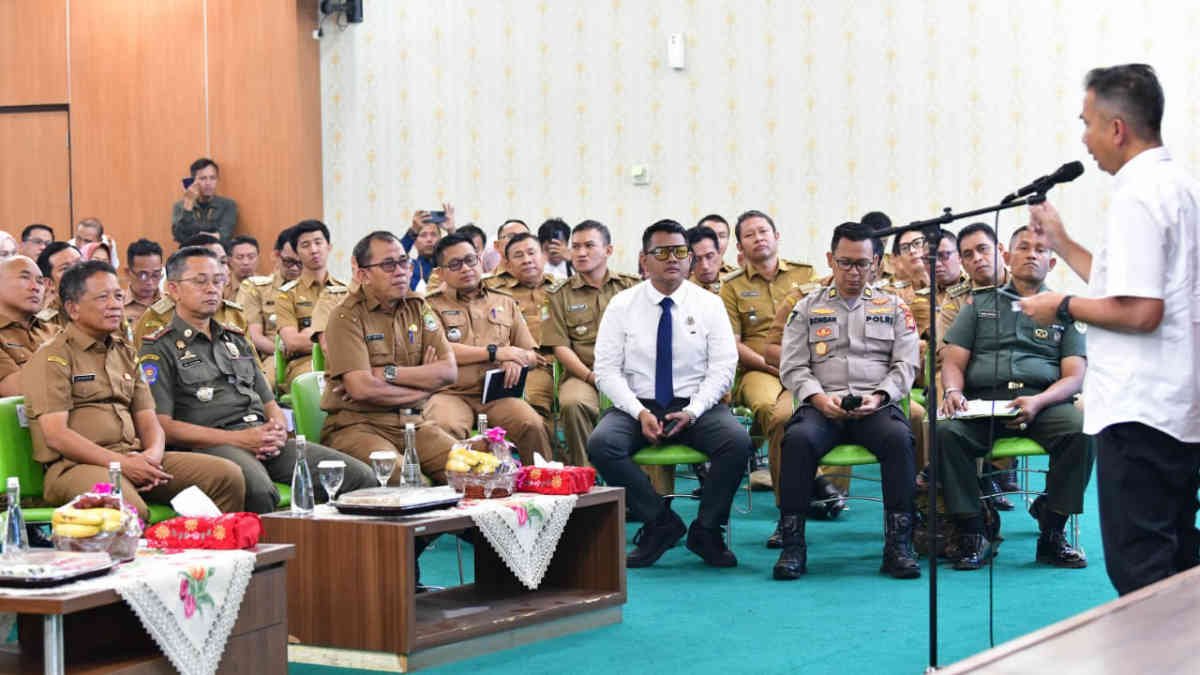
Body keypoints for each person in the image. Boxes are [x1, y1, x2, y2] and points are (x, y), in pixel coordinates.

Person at [1018, 64, 1200, 596]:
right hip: (1177, 402)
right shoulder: (1180, 183)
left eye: (1088, 122)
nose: (1084, 138)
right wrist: (1062, 241)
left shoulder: (1136, 195)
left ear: (1116, 128)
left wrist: (1062, 305)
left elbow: (1142, 311)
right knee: (1178, 556)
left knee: (1141, 570)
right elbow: (1130, 285)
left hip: (1141, 408)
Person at [142, 247, 373, 513]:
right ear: (173, 289)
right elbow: (163, 426)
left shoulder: (235, 338)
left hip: (263, 440)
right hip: (212, 446)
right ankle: (276, 555)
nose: (212, 289)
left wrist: (274, 430)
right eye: (200, 281)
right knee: (259, 491)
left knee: (358, 476)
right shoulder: (159, 348)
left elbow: (268, 400)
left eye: (218, 280)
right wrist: (241, 440)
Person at [22, 261, 246, 520]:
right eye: (103, 297)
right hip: (76, 467)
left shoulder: (125, 352)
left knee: (226, 476)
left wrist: (151, 456)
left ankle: (209, 552)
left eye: (118, 296)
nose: (115, 304)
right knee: (128, 510)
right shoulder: (53, 357)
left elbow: (149, 419)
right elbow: (57, 436)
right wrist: (122, 465)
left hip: (134, 457)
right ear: (73, 308)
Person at [590, 219, 751, 568]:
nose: (672, 259)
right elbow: (606, 370)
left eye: (680, 251)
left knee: (737, 442)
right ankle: (660, 521)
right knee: (602, 444)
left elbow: (724, 366)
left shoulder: (709, 305)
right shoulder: (622, 305)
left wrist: (694, 410)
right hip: (638, 403)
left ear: (690, 258)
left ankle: (707, 530)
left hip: (696, 404)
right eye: (661, 252)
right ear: (643, 259)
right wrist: (638, 412)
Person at [939, 226, 1092, 570]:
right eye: (1023, 247)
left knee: (1082, 430)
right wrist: (953, 391)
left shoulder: (1065, 311)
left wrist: (1039, 402)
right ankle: (974, 532)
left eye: (1041, 249)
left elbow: (1074, 376)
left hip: (1044, 402)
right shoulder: (977, 305)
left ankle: (1052, 531)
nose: (1032, 254)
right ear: (1007, 256)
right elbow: (953, 359)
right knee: (946, 433)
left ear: (1052, 263)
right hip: (983, 404)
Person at [775, 222, 921, 580]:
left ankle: (898, 546)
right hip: (823, 405)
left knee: (900, 439)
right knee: (797, 440)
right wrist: (817, 398)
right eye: (845, 263)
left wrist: (881, 395)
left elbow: (907, 364)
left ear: (876, 263)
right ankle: (793, 546)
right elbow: (792, 366)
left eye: (862, 264)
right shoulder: (807, 307)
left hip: (874, 405)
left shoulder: (895, 307)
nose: (854, 272)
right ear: (830, 259)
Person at [320, 232, 462, 482]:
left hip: (415, 423)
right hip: (359, 426)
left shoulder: (418, 308)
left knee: (471, 468)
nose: (400, 271)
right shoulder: (346, 317)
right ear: (363, 274)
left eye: (404, 262)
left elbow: (448, 371)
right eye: (388, 265)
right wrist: (423, 390)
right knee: (400, 475)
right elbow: (362, 389)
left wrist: (387, 373)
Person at [423, 233, 555, 465]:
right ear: (440, 272)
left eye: (470, 260)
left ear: (481, 260)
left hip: (497, 395)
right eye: (455, 264)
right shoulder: (430, 306)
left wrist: (516, 359)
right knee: (443, 428)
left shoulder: (504, 301)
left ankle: (540, 487)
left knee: (531, 424)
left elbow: (533, 355)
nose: (465, 268)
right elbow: (442, 349)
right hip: (450, 393)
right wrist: (495, 353)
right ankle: (455, 495)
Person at [542, 221, 640, 466]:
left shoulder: (632, 287)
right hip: (584, 373)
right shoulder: (558, 294)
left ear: (608, 250)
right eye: (575, 247)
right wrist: (590, 377)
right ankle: (587, 478)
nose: (581, 253)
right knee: (572, 403)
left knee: (648, 402)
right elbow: (560, 347)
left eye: (589, 246)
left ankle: (641, 485)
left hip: (631, 373)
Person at [719, 210, 815, 452]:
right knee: (767, 406)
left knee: (815, 405)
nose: (759, 238)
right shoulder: (731, 286)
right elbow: (734, 343)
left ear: (776, 236)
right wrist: (769, 364)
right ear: (740, 247)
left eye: (763, 231)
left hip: (805, 363)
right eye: (750, 235)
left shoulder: (804, 274)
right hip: (759, 368)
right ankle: (813, 477)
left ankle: (761, 454)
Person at [482, 232, 557, 430]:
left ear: (543, 256)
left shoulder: (561, 288)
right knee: (531, 406)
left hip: (559, 362)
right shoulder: (492, 290)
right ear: (507, 264)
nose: (527, 260)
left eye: (532, 253)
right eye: (518, 255)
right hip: (519, 365)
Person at [132, 234, 247, 348]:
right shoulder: (157, 317)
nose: (221, 270)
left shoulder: (235, 315)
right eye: (200, 281)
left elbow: (252, 363)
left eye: (223, 262)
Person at [276, 220, 347, 390]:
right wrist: (335, 335)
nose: (314, 250)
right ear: (297, 253)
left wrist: (310, 334)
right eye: (305, 245)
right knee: (318, 385)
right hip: (305, 364)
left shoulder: (345, 291)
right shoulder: (286, 294)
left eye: (318, 242)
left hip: (344, 360)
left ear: (329, 247)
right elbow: (292, 342)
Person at [237, 226, 301, 370]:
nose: (295, 268)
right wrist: (283, 353)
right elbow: (255, 336)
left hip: (313, 354)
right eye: (289, 262)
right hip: (274, 356)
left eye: (300, 263)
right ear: (276, 256)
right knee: (267, 384)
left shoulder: (319, 289)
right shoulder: (258, 288)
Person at [0, 256, 57, 396]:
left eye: (40, 281)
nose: (35, 287)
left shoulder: (53, 330)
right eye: (25, 278)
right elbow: (15, 389)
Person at [172, 157, 238, 244]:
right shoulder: (180, 206)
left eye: (212, 178)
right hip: (190, 254)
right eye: (203, 178)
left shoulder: (228, 205)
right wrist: (188, 204)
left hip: (217, 254)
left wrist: (196, 235)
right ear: (193, 181)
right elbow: (180, 237)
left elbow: (224, 236)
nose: (208, 183)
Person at [401, 206, 455, 291]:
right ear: (414, 241)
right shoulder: (409, 267)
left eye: (433, 234)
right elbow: (394, 256)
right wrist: (413, 231)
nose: (429, 239)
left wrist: (451, 231)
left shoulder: (449, 264)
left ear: (440, 238)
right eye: (423, 235)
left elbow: (460, 253)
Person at [34, 242, 81, 332]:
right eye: (65, 268)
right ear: (49, 283)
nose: (78, 271)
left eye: (80, 263)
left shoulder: (106, 308)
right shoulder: (45, 323)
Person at [123, 239, 164, 328]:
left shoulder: (172, 305)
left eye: (155, 275)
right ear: (128, 273)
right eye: (143, 275)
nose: (150, 282)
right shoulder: (117, 307)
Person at [686, 225, 724, 294]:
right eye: (697, 259)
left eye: (709, 256)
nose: (705, 266)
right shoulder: (683, 290)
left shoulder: (737, 280)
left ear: (719, 252)